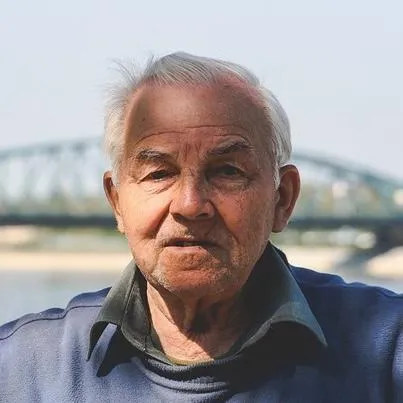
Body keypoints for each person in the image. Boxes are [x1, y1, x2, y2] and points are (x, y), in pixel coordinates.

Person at [1, 52, 403, 402]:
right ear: (117, 202)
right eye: (159, 173)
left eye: (227, 171)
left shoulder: (386, 353)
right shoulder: (23, 370)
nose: (191, 205)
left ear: (282, 199)